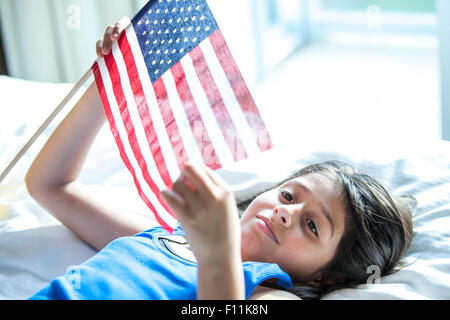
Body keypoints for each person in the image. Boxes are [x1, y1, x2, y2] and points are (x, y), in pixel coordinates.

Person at [25, 18, 414, 300]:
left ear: (326, 278)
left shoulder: (267, 293)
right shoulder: (166, 238)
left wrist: (218, 253)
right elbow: (50, 185)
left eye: (312, 225)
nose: (285, 213)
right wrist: (112, 78)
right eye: (290, 196)